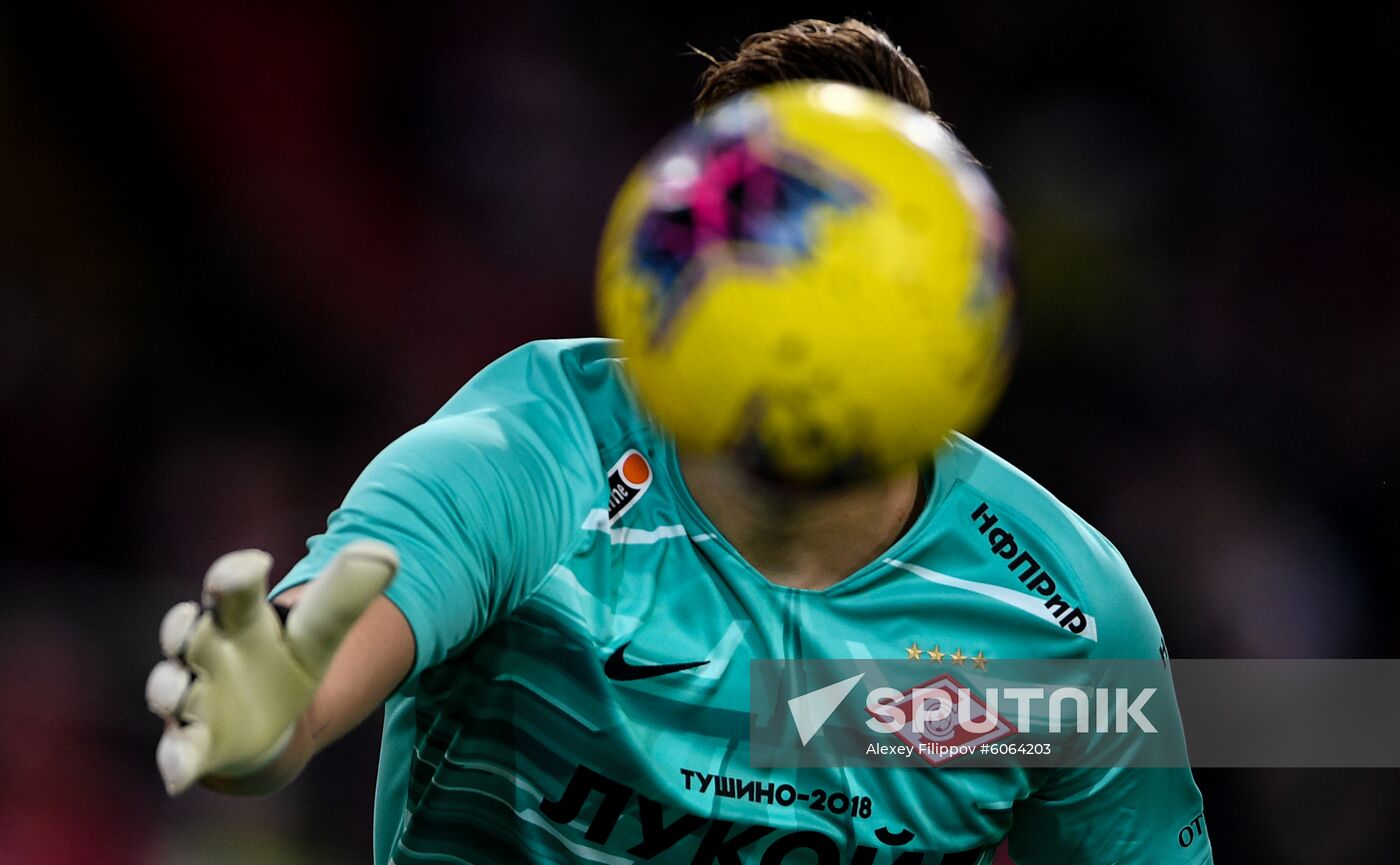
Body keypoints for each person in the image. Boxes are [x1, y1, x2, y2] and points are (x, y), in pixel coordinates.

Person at [144, 19, 1211, 865]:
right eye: (764, 245)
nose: (808, 320)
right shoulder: (533, 448)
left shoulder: (1063, 614)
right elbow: (324, 652)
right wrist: (276, 717)